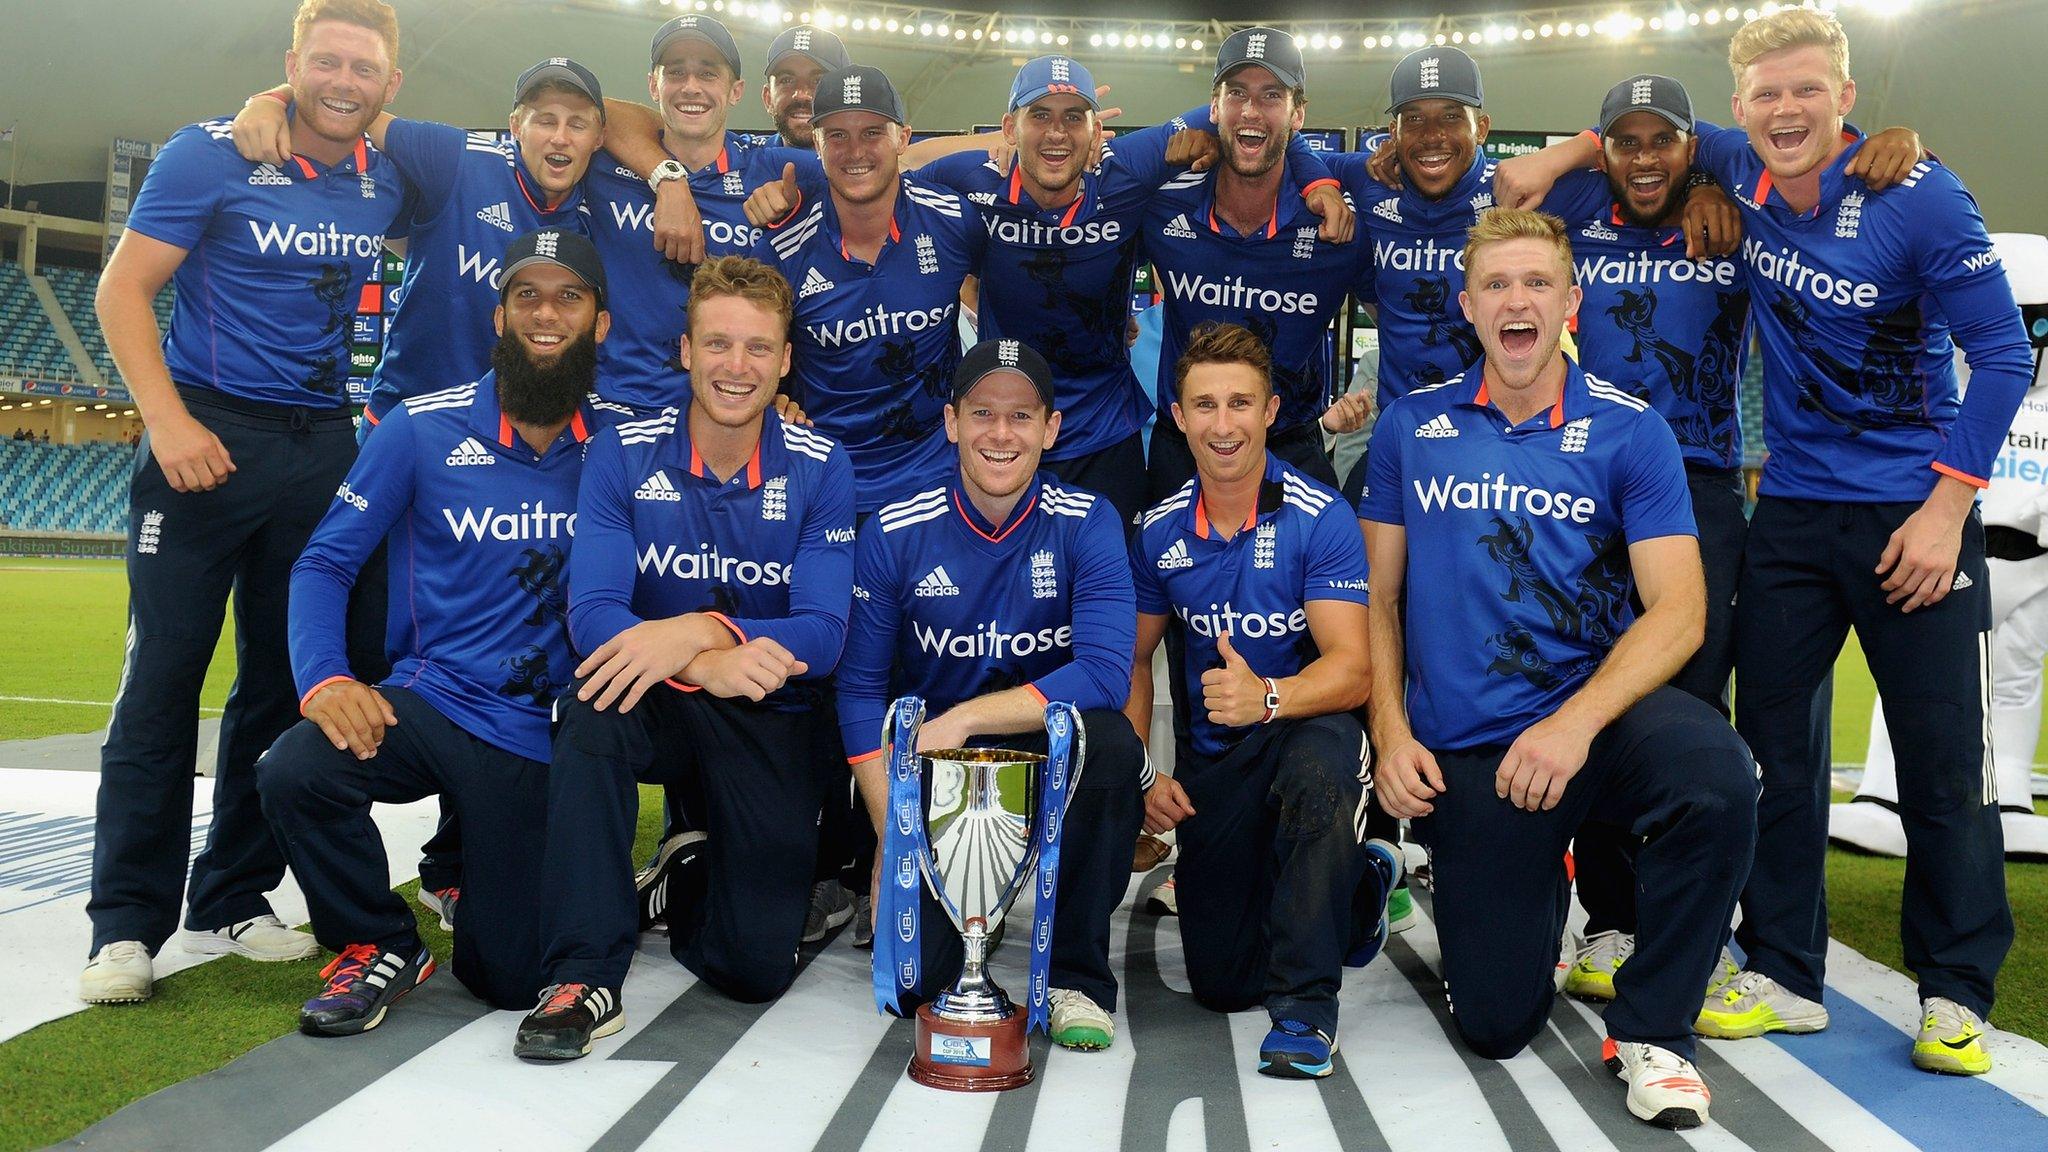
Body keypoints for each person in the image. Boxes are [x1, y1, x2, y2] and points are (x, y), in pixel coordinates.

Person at [1360, 208, 1756, 1129]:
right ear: (1467, 306)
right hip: (1473, 743)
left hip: (1591, 723)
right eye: (1496, 284)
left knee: (1719, 778)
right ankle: (1530, 888)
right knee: (1497, 1025)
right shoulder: (1411, 427)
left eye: (1537, 281)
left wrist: (1572, 726)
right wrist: (1389, 730)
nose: (1517, 300)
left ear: (1572, 300)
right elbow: (1376, 600)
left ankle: (1656, 1030)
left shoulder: (1631, 431)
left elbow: (1682, 613)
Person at [231, 55, 616, 924]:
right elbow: (347, 107)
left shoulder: (618, 428)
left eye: (579, 122)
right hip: (410, 461)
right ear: (511, 123)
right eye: (542, 117)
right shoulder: (456, 158)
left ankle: (461, 859)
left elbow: (654, 122)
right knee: (313, 718)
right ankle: (260, 897)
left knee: (511, 968)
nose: (560, 136)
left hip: (540, 476)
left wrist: (664, 168)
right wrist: (269, 97)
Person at [80, 0, 411, 1005]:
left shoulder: (386, 171)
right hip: (204, 439)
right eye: (325, 62)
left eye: (363, 66)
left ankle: (229, 895)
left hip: (316, 445)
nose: (343, 80)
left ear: (390, 83)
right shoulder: (207, 154)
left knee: (278, 688)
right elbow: (120, 291)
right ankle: (124, 929)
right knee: (160, 684)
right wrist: (170, 423)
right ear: (293, 62)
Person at [258, 229, 618, 1033]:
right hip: (436, 702)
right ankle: (377, 941)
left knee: (509, 976)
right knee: (295, 769)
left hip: (544, 736)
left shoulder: (628, 444)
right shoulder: (420, 428)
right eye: (527, 295)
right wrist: (325, 679)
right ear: (498, 316)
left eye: (569, 296)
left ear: (601, 323)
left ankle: (490, 887)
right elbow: (323, 564)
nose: (545, 313)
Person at [516, 255, 855, 1061]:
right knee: (593, 709)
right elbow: (594, 614)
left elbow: (822, 631)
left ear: (784, 361)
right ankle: (582, 975)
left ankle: (686, 870)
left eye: (757, 349)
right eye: (718, 345)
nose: (736, 368)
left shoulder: (822, 466)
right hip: (662, 699)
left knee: (752, 969)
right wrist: (701, 656)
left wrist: (704, 629)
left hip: (767, 712)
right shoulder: (621, 452)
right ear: (684, 351)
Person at [837, 338, 1145, 1051]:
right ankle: (982, 910)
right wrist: (896, 832)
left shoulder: (1087, 519)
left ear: (1051, 429)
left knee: (1111, 741)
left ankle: (1077, 976)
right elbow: (856, 690)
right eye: (982, 414)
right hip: (937, 773)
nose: (1000, 435)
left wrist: (969, 715)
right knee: (921, 987)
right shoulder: (892, 530)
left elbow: (1105, 671)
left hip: (1033, 746)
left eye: (1020, 417)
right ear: (952, 423)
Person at [1128, 321, 1393, 1080]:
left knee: (1318, 771)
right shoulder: (1157, 531)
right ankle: (1357, 889)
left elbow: (1355, 669)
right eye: (1204, 406)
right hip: (1218, 767)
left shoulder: (1321, 516)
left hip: (1304, 730)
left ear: (1271, 409)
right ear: (1177, 418)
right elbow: (1137, 660)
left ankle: (1308, 1010)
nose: (1223, 424)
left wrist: (1268, 696)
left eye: (1240, 403)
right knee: (1221, 985)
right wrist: (1147, 773)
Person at [1550, 75, 1754, 1003]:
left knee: (1693, 697)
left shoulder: (1733, 208)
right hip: (1597, 481)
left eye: (1662, 141)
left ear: (1691, 143)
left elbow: (1821, 152)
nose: (1643, 158)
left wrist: (1714, 166)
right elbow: (1506, 186)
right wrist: (1577, 154)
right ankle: (1611, 918)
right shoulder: (1582, 205)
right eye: (1622, 141)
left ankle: (1692, 931)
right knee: (1601, 685)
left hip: (1701, 481)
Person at [1838, 230, 2048, 862]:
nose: (2027, 342)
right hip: (1952, 552)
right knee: (1912, 676)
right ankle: (1882, 794)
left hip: (2033, 565)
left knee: (2014, 681)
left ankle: (2008, 795)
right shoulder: (1942, 393)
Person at [744, 64, 986, 516]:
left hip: (937, 478)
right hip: (825, 482)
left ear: (903, 139)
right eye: (836, 135)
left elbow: (1021, 279)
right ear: (816, 144)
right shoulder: (783, 248)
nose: (854, 151)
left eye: (872, 132)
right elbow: (753, 353)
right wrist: (770, 399)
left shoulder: (954, 221)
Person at [1140, 28, 1368, 504]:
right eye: (1237, 93)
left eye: (1271, 96)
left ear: (1298, 113)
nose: (1250, 110)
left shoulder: (1336, 225)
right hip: (1182, 447)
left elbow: (1404, 317)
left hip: (1290, 445)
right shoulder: (1162, 205)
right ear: (1215, 106)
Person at [746, 24, 852, 150]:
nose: (801, 95)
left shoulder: (872, 164)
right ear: (768, 98)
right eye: (787, 80)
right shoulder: (743, 160)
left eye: (819, 81)